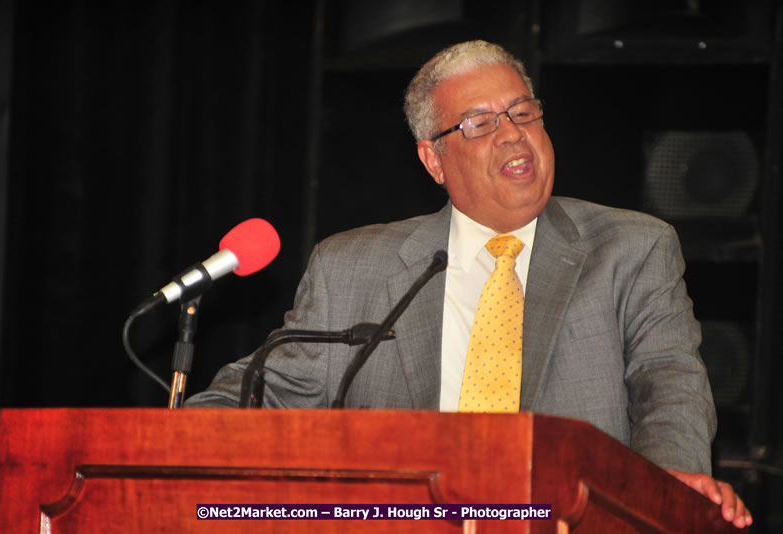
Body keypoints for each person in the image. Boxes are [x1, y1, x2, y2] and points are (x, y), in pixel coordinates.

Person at [186, 40, 751, 528]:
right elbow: (267, 388)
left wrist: (668, 484)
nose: (512, 135)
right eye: (480, 123)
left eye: (523, 113)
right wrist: (179, 437)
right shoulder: (354, 268)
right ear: (434, 160)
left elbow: (667, 382)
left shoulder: (632, 248)